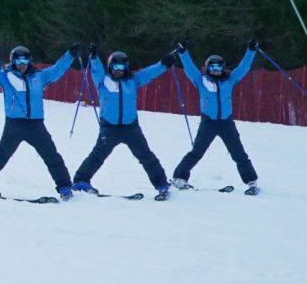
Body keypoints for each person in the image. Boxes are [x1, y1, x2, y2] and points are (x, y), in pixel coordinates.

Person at [0, 44, 76, 199]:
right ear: (13, 61)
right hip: (14, 124)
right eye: (18, 60)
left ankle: (65, 186)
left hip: (36, 125)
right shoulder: (6, 77)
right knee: (2, 154)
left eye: (24, 60)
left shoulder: (39, 77)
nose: (21, 64)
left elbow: (57, 70)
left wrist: (70, 55)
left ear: (29, 60)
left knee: (51, 155)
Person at [70, 47, 171, 198]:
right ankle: (81, 180)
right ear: (110, 66)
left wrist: (163, 64)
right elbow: (96, 70)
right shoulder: (103, 80)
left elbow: (149, 73)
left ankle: (161, 183)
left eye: (121, 67)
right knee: (98, 155)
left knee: (145, 155)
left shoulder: (132, 81)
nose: (118, 70)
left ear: (126, 67)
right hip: (109, 127)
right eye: (115, 67)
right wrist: (94, 57)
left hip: (130, 127)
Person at [170, 41, 260, 195]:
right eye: (213, 67)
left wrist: (251, 51)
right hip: (208, 122)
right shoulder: (201, 80)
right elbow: (190, 68)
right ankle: (179, 177)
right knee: (197, 151)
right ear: (207, 68)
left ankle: (251, 181)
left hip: (226, 122)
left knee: (238, 152)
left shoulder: (229, 80)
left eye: (219, 67)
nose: (216, 70)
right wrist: (183, 53)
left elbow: (243, 68)